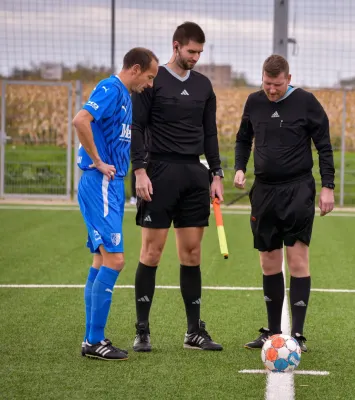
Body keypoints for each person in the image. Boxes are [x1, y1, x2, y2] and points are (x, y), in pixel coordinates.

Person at [130, 21, 225, 353]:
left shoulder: (204, 86)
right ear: (176, 46)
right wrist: (140, 171)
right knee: (151, 253)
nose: (196, 58)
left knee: (192, 254)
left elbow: (210, 133)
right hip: (159, 171)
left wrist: (216, 174)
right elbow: (138, 127)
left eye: (200, 52)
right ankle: (142, 330)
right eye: (191, 51)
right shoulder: (154, 83)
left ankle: (193, 332)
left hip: (194, 174)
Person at [234, 54, 335, 352]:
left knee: (297, 259)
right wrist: (240, 166)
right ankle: (273, 332)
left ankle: (298, 335)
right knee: (268, 261)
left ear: (288, 79)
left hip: (298, 189)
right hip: (264, 191)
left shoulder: (307, 102)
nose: (272, 90)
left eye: (277, 84)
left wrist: (327, 186)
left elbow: (324, 147)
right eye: (267, 83)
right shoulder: (253, 102)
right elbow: (243, 139)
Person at [73, 47, 159, 360]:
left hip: (110, 186)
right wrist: (97, 161)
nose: (149, 84)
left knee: (100, 260)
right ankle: (94, 341)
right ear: (135, 69)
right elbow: (81, 120)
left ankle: (91, 339)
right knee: (116, 260)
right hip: (102, 183)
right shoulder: (111, 88)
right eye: (149, 77)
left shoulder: (125, 96)